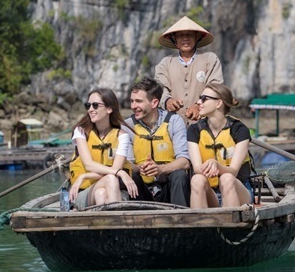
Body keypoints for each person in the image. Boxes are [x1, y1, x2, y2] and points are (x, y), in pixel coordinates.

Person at [124, 77, 192, 206]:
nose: (133, 106)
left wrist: (160, 169)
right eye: (132, 101)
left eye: (138, 101)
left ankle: (182, 220)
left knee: (180, 175)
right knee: (131, 176)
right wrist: (140, 168)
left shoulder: (174, 121)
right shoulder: (127, 126)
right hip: (142, 187)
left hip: (168, 184)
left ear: (154, 103)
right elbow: (128, 163)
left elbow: (184, 161)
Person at [67, 88, 139, 209]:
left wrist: (84, 176)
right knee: (111, 177)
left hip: (113, 190)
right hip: (84, 192)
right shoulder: (81, 132)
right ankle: (119, 222)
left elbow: (114, 169)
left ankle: (108, 226)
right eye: (88, 105)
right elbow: (89, 165)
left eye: (95, 105)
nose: (90, 109)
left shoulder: (122, 136)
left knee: (101, 194)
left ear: (109, 109)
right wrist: (120, 172)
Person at [187, 83, 253, 209]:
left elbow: (233, 171)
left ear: (218, 103)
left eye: (204, 99)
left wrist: (216, 165)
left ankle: (231, 225)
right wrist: (209, 167)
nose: (198, 102)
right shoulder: (194, 130)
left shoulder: (239, 130)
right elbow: (197, 168)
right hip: (211, 193)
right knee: (197, 179)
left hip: (239, 190)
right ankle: (199, 225)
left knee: (227, 178)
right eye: (200, 97)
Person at [155, 16, 224, 122]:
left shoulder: (210, 59)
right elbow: (160, 88)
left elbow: (215, 87)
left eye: (189, 35)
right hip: (171, 123)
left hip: (204, 122)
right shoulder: (165, 63)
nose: (185, 38)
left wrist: (198, 105)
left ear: (197, 37)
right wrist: (168, 101)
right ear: (175, 40)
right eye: (180, 35)